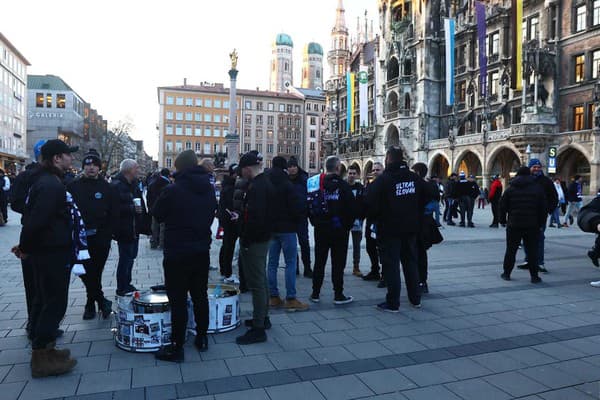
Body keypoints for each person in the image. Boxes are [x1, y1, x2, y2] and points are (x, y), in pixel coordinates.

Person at [16, 139, 79, 377]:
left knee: (47, 300)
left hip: (48, 250)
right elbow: (37, 221)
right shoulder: (51, 185)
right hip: (51, 252)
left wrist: (27, 246)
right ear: (56, 159)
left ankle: (48, 349)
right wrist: (25, 247)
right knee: (53, 302)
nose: (71, 159)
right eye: (67, 155)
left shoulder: (47, 181)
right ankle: (41, 358)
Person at [152, 150, 216, 362]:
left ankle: (177, 346)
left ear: (179, 168)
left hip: (177, 251)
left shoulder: (173, 189)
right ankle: (202, 337)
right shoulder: (207, 187)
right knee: (200, 296)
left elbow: (158, 213)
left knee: (178, 299)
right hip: (200, 250)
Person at [367, 147, 425, 312]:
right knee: (410, 264)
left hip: (390, 230)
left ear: (388, 159)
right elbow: (432, 192)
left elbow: (369, 199)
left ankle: (393, 303)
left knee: (391, 266)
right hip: (410, 229)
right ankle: (415, 299)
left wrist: (378, 214)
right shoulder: (414, 177)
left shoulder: (384, 179)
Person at [67, 149, 118, 320]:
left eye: (94, 165)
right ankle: (100, 300)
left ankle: (91, 303)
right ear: (83, 168)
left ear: (99, 168)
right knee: (85, 271)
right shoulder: (73, 186)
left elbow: (113, 212)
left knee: (96, 271)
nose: (91, 168)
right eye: (88, 165)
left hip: (100, 237)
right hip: (81, 238)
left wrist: (109, 233)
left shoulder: (107, 187)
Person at [235, 151, 275, 345]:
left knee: (257, 283)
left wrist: (246, 239)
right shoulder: (265, 183)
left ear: (248, 169)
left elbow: (255, 218)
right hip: (263, 238)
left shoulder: (257, 187)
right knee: (262, 281)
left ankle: (258, 329)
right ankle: (263, 318)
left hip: (255, 241)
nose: (241, 175)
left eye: (242, 171)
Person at [10, 139, 46, 337]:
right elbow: (15, 202)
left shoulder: (54, 177)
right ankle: (34, 324)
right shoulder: (26, 177)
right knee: (34, 282)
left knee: (42, 283)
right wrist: (35, 210)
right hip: (33, 234)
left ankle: (40, 323)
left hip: (44, 236)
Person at [308, 156, 356, 305]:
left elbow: (309, 206)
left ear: (325, 167)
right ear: (338, 168)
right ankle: (338, 294)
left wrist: (315, 222)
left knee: (319, 262)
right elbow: (352, 210)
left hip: (321, 229)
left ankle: (315, 293)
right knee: (338, 263)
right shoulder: (344, 186)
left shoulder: (316, 185)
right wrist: (346, 226)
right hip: (340, 231)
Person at [266, 156, 308, 311]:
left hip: (271, 228)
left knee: (272, 263)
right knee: (290, 263)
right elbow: (296, 206)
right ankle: (290, 298)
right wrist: (297, 221)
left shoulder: (266, 182)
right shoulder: (287, 184)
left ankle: (274, 297)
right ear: (284, 167)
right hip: (288, 228)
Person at [499, 166, 546, 284]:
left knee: (511, 250)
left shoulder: (510, 189)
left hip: (514, 224)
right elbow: (543, 208)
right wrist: (540, 223)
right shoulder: (537, 188)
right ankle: (534, 276)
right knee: (532, 251)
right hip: (532, 225)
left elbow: (502, 206)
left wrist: (502, 220)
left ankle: (506, 273)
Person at [111, 159, 149, 296]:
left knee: (131, 257)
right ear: (129, 170)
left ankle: (127, 283)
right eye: (136, 168)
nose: (138, 170)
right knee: (125, 259)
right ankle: (121, 287)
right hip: (124, 229)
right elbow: (113, 208)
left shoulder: (133, 184)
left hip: (134, 228)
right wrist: (132, 208)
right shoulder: (116, 185)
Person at [516, 159, 558, 273]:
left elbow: (554, 197)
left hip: (540, 216)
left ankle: (539, 263)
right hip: (526, 214)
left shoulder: (546, 181)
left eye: (538, 167)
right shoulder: (524, 180)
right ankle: (528, 260)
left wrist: (548, 210)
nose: (536, 169)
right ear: (529, 168)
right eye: (534, 166)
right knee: (525, 238)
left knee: (539, 238)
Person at [412, 163, 441, 295]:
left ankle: (418, 280)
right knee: (422, 254)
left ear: (417, 172)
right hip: (427, 224)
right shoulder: (431, 185)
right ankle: (422, 281)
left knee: (416, 254)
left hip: (418, 224)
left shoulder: (416, 186)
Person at [218, 163, 244, 286]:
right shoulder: (231, 188)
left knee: (226, 245)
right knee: (229, 246)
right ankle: (227, 273)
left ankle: (224, 270)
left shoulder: (226, 185)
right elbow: (232, 205)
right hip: (230, 220)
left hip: (225, 219)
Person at [287, 157, 313, 278]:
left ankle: (307, 268)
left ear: (297, 167)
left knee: (304, 243)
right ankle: (295, 268)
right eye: (290, 167)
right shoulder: (286, 181)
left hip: (302, 216)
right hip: (290, 217)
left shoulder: (304, 180)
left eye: (294, 166)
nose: (292, 169)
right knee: (292, 244)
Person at [362, 162, 384, 283]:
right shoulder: (371, 185)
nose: (375, 172)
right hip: (370, 220)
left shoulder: (386, 184)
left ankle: (385, 274)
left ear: (383, 170)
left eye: (378, 170)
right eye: (374, 170)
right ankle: (374, 270)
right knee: (370, 247)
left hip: (382, 221)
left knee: (382, 248)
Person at [346, 165, 365, 277]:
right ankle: (340, 266)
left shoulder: (360, 188)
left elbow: (364, 203)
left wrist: (361, 217)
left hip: (357, 221)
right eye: (350, 173)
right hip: (344, 221)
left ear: (357, 175)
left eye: (354, 173)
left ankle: (356, 267)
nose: (352, 175)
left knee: (357, 245)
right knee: (341, 245)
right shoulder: (343, 186)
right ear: (346, 174)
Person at [147, 168, 171, 249]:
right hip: (164, 209)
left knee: (154, 227)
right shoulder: (168, 184)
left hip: (153, 208)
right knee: (163, 227)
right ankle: (162, 244)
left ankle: (153, 243)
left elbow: (148, 197)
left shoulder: (152, 183)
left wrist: (150, 207)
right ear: (168, 175)